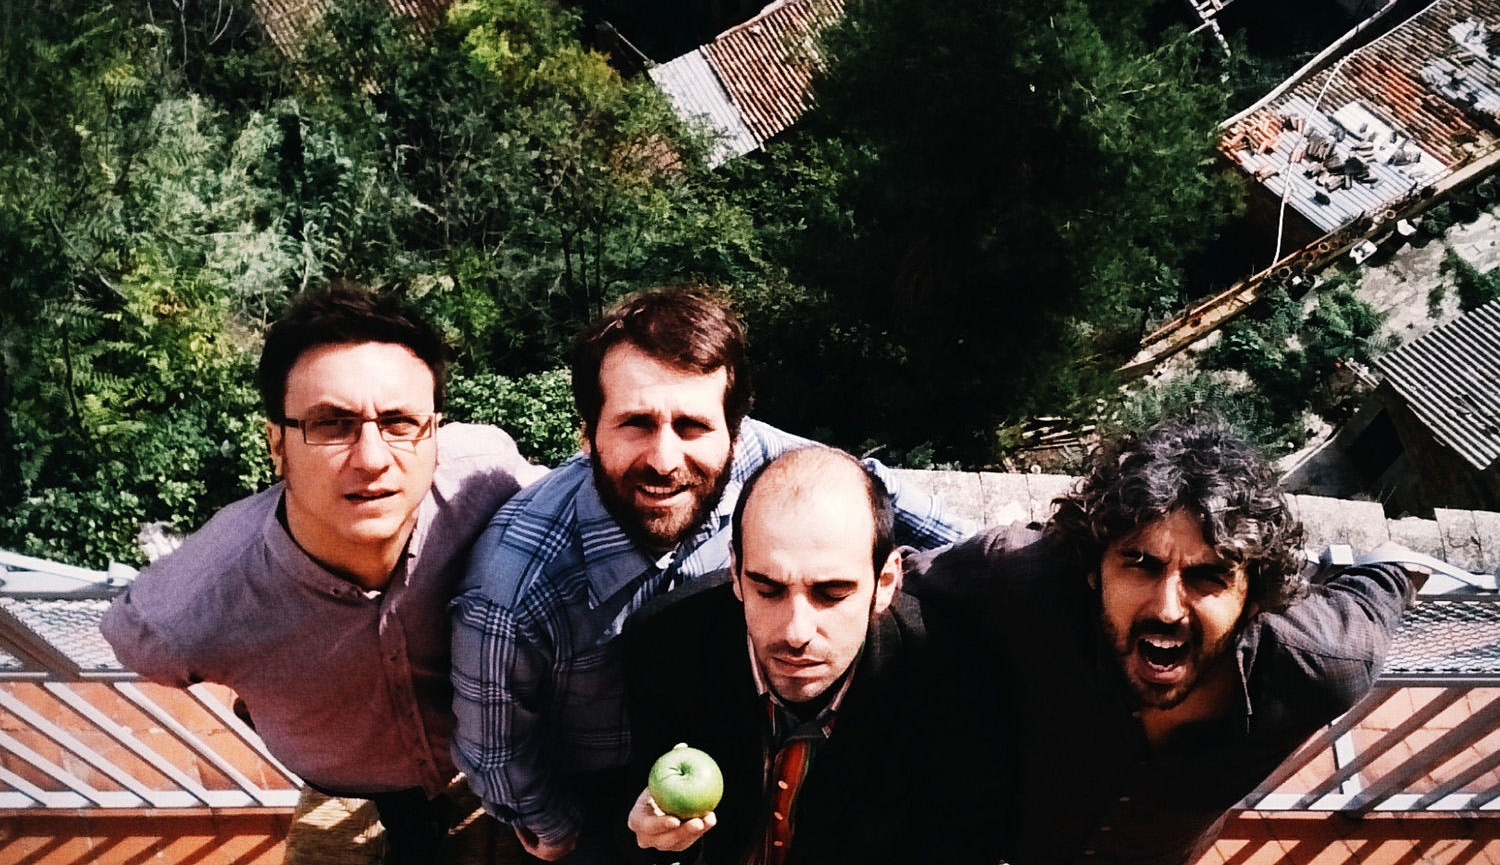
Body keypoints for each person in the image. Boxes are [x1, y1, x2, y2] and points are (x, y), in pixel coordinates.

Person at [449, 286, 973, 860]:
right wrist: (567, 834)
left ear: (735, 432)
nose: (665, 460)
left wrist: (1006, 570)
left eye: (693, 426)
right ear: (588, 432)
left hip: (730, 747)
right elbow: (497, 755)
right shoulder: (513, 588)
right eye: (635, 423)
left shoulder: (763, 461)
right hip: (598, 782)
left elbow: (863, 488)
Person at [101, 282, 548, 864]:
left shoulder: (488, 478)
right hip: (351, 770)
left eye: (399, 422)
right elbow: (138, 640)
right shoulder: (189, 606)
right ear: (277, 445)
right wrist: (257, 671)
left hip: (476, 745)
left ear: (434, 433)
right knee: (409, 833)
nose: (373, 459)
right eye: (332, 424)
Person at [904, 414, 1425, 865]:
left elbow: (1385, 580)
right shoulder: (1022, 580)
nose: (1167, 609)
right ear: (1093, 571)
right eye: (1140, 563)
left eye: (1208, 576)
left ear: (1255, 598)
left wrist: (1396, 569)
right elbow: (898, 582)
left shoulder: (1323, 664)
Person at [622, 446, 1005, 865]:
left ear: (885, 582)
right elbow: (636, 816)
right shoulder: (666, 644)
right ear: (735, 571)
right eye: (767, 590)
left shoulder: (952, 686)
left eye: (832, 594)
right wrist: (657, 841)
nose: (796, 632)